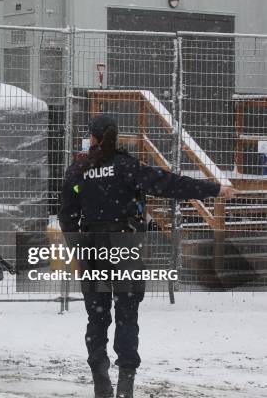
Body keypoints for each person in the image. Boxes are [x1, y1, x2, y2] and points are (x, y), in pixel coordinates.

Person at [58, 115, 239, 398]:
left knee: (97, 317)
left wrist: (79, 251)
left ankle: (100, 377)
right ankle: (126, 383)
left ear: (91, 138)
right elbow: (170, 184)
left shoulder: (77, 170)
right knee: (127, 316)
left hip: (92, 248)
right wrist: (213, 189)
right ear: (115, 138)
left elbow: (67, 216)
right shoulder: (128, 167)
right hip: (124, 247)